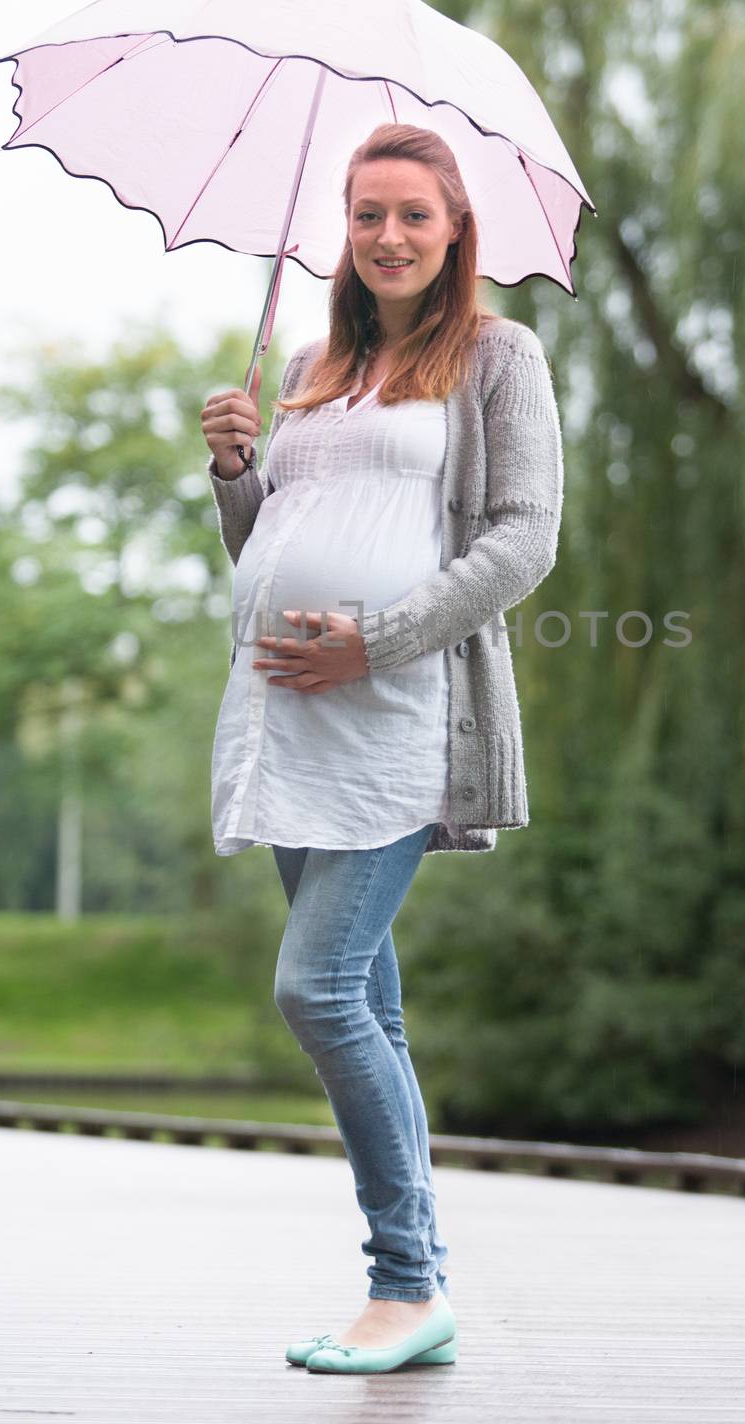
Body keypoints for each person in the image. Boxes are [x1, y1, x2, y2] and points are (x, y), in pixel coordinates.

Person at [200, 122, 564, 1374]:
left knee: (316, 991)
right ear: (340, 232)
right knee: (371, 1009)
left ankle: (405, 1285)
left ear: (455, 229)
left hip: (403, 715)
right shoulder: (307, 366)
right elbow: (265, 548)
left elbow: (521, 544)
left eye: (414, 213)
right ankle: (414, 1291)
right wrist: (238, 473)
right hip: (286, 716)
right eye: (367, 215)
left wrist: (375, 638)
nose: (389, 236)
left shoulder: (496, 357)